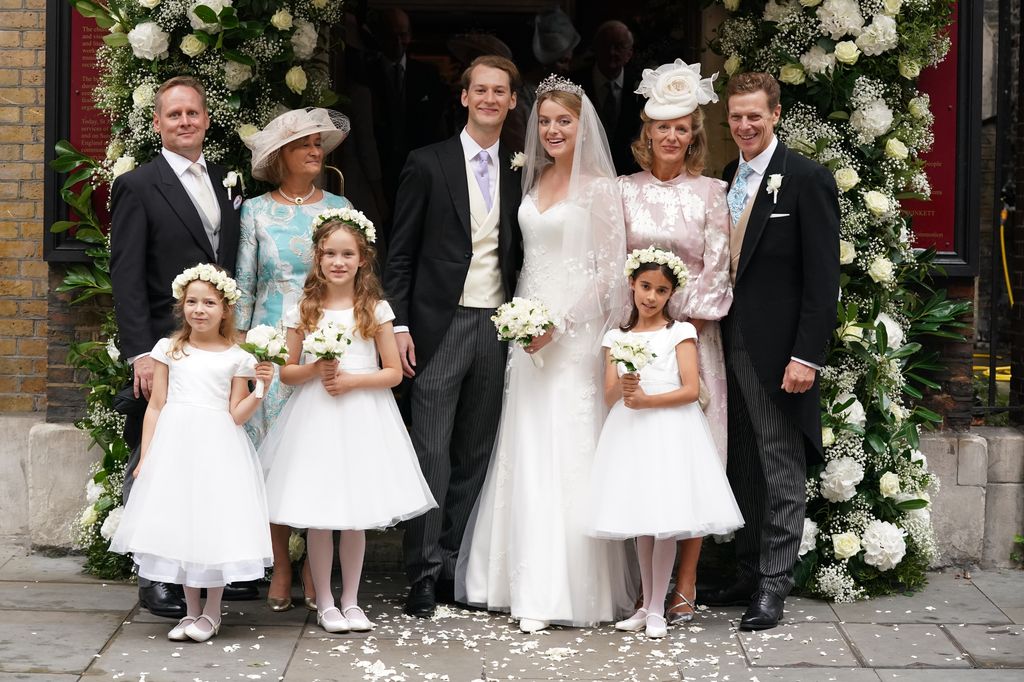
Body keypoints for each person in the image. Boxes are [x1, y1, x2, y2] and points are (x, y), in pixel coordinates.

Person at [456, 74, 633, 633]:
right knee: (524, 444)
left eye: (564, 121)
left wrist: (561, 322)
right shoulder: (531, 179)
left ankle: (566, 589)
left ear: (584, 127)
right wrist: (525, 320)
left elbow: (611, 276)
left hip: (572, 339)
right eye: (545, 121)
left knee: (566, 446)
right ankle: (511, 580)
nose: (553, 130)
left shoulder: (602, 189)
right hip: (526, 334)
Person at [384, 55, 523, 620]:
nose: (490, 99)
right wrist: (398, 324)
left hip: (498, 326)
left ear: (514, 101)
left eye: (500, 91)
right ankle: (420, 571)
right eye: (480, 89)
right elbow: (400, 255)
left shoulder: (523, 169)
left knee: (477, 452)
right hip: (438, 327)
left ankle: (454, 563)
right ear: (464, 97)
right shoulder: (427, 162)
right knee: (430, 450)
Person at [701, 72, 840, 631]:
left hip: (780, 353)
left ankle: (773, 588)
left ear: (775, 114)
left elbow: (822, 279)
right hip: (726, 342)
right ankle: (745, 570)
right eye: (736, 116)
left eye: (754, 115)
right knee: (743, 463)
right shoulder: (727, 176)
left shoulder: (805, 179)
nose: (744, 125)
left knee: (781, 467)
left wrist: (806, 356)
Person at [109, 75, 248, 618]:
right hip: (167, 346)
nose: (185, 122)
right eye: (174, 115)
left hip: (217, 346)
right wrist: (142, 352)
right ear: (157, 123)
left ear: (206, 120)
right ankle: (154, 575)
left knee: (210, 460)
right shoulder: (139, 185)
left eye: (193, 113)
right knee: (156, 456)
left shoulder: (225, 180)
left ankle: (208, 568)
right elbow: (125, 274)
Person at [259, 212, 436, 634]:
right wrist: (317, 369)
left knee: (355, 515)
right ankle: (325, 602)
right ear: (318, 259)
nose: (338, 261)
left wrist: (353, 379)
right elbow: (287, 371)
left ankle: (352, 601)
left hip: (362, 415)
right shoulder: (303, 307)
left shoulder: (374, 309)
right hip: (316, 416)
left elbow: (393, 372)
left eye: (347, 254)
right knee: (321, 515)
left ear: (362, 260)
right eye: (330, 254)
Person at [618, 59, 731, 625]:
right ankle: (646, 586)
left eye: (682, 127)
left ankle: (685, 579)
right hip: (638, 338)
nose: (671, 136)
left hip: (690, 341)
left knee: (692, 460)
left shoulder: (712, 192)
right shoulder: (623, 191)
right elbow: (611, 262)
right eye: (662, 126)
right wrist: (638, 328)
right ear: (648, 132)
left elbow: (717, 265)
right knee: (643, 459)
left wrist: (678, 324)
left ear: (693, 136)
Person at [109, 264, 274, 643]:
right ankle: (190, 611)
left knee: (210, 523)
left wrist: (260, 389)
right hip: (175, 444)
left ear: (225, 309)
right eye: (192, 302)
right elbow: (156, 404)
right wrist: (147, 454)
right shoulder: (169, 349)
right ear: (182, 306)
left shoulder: (236, 356)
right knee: (183, 523)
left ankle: (212, 613)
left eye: (209, 303)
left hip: (217, 445)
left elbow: (236, 415)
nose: (199, 309)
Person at [589, 249, 743, 639]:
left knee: (666, 524)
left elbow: (690, 389)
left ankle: (658, 607)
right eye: (645, 287)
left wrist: (648, 401)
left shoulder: (681, 332)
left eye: (661, 290)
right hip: (631, 432)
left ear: (671, 293)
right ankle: (645, 606)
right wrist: (625, 387)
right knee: (644, 521)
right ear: (632, 285)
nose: (651, 297)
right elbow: (608, 395)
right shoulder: (616, 337)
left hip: (671, 429)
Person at [235, 108, 352, 612]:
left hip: (325, 340)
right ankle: (280, 561)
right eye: (305, 144)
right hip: (270, 344)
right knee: (271, 457)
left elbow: (356, 275)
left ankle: (315, 564)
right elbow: (242, 286)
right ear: (280, 155)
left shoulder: (340, 206)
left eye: (319, 144)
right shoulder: (256, 212)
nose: (315, 151)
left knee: (318, 451)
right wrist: (239, 362)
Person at [363, 7, 449, 209]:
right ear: (379, 36)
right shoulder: (367, 74)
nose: (397, 41)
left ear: (409, 35)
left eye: (402, 34)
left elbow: (439, 128)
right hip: (379, 174)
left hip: (421, 171)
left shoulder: (428, 75)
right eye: (390, 35)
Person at [573, 20, 643, 175]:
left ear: (629, 53)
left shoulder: (641, 86)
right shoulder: (574, 84)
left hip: (630, 174)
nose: (612, 52)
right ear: (595, 49)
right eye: (606, 46)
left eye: (618, 47)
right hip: (584, 173)